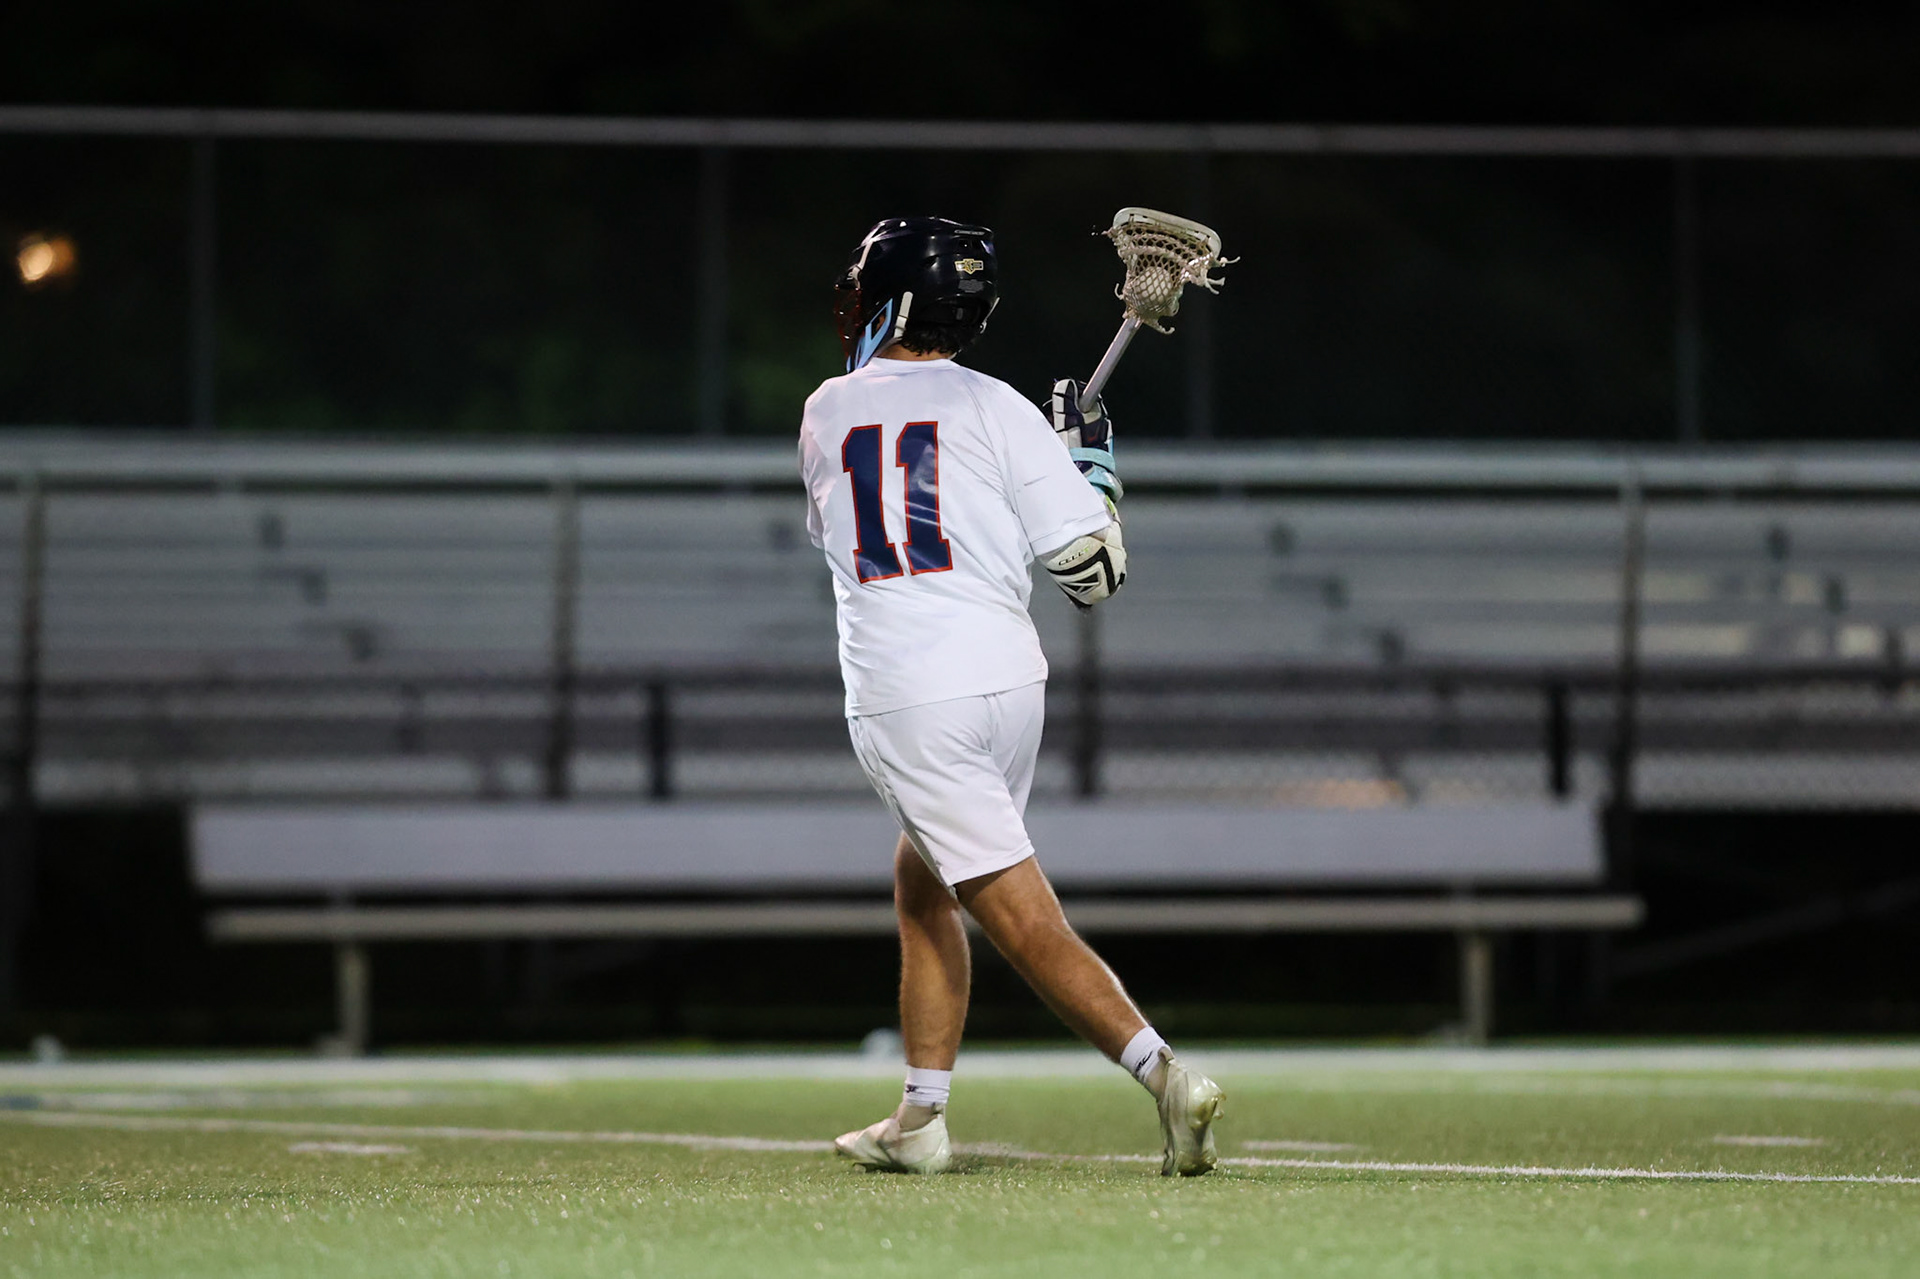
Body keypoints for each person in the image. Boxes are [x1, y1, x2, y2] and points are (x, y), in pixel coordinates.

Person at [797, 216, 1224, 1177]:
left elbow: (876, 521)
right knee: (923, 881)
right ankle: (920, 1118)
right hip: (1010, 687)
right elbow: (1090, 574)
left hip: (911, 694)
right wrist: (1091, 470)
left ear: (891, 301)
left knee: (1021, 918)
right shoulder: (1001, 407)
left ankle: (1166, 1075)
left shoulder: (826, 408)